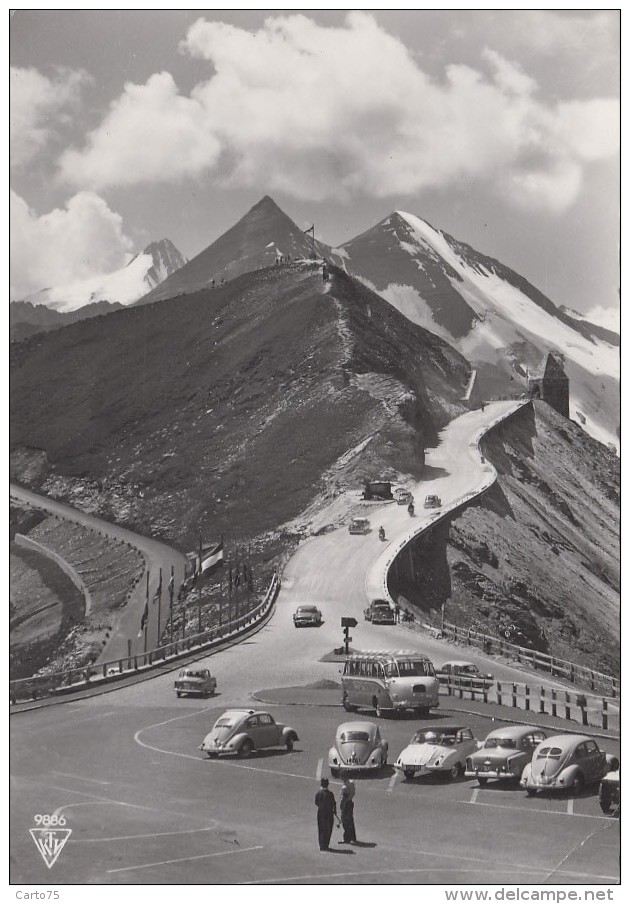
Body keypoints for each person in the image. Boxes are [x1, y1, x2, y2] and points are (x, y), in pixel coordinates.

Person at [315, 777, 337, 851]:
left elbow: (316, 802)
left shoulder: (319, 793)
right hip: (329, 813)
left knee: (321, 829)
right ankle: (326, 845)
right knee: (328, 829)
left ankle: (321, 845)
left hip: (321, 813)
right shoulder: (330, 794)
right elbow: (334, 804)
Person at [339, 778, 357, 844]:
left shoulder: (344, 787)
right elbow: (353, 793)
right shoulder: (351, 783)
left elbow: (343, 798)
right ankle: (352, 837)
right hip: (350, 803)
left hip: (346, 804)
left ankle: (346, 838)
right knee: (350, 821)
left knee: (345, 822)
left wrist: (342, 806)